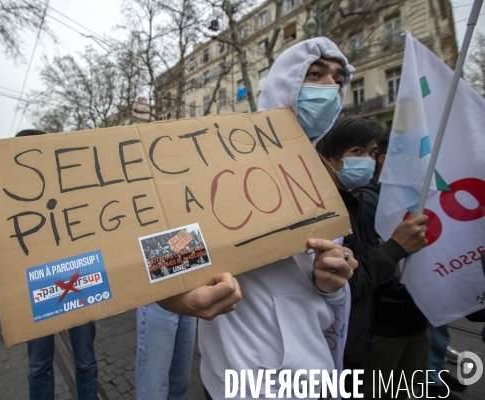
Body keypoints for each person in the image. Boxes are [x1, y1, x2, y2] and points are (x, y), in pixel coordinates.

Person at [159, 37, 359, 400]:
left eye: (338, 78)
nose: (330, 85)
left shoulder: (326, 179)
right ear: (285, 80)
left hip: (316, 376)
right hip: (239, 380)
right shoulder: (218, 166)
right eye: (315, 74)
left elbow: (322, 286)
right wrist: (177, 300)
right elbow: (163, 260)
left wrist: (334, 281)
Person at [316, 118, 429, 393]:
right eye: (357, 152)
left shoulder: (353, 200)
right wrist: (395, 249)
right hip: (356, 338)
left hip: (371, 334)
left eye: (371, 152)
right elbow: (350, 283)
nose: (368, 160)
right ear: (328, 158)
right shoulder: (327, 211)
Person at [16, 129, 98, 400]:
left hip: (79, 281)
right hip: (36, 288)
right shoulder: (10, 200)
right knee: (38, 365)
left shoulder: (73, 189)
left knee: (85, 360)